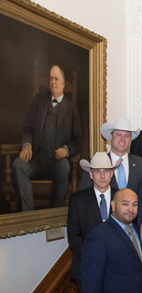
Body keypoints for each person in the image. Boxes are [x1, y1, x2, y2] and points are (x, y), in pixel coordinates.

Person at [67, 152, 121, 293]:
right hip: (88, 272)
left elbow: (129, 233)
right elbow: (74, 237)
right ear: (90, 174)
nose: (102, 175)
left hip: (118, 273)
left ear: (111, 173)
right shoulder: (77, 200)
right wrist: (98, 262)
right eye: (97, 171)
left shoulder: (123, 197)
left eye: (106, 171)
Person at [12, 65, 83, 211]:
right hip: (35, 161)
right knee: (17, 165)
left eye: (56, 79)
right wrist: (27, 145)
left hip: (56, 163)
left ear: (63, 83)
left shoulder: (72, 108)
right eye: (51, 78)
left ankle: (53, 213)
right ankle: (29, 215)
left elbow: (79, 141)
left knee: (64, 166)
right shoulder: (39, 100)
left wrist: (66, 150)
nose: (53, 82)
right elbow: (27, 129)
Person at [81, 117, 142, 192]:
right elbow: (85, 197)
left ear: (130, 139)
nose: (122, 139)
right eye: (118, 135)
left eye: (126, 136)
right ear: (111, 137)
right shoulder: (93, 165)